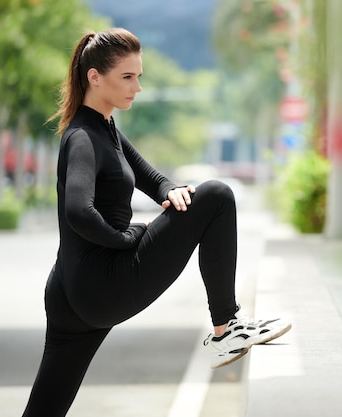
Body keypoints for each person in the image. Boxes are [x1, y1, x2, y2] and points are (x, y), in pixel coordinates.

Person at [22, 28, 291, 417]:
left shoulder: (104, 127)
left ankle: (227, 327)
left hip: (70, 291)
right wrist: (126, 237)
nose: (138, 87)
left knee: (45, 409)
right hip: (102, 283)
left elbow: (150, 176)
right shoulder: (83, 137)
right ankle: (227, 327)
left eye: (139, 77)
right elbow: (78, 211)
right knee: (216, 196)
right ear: (95, 77)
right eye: (127, 77)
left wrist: (171, 190)